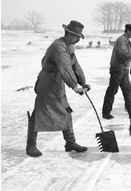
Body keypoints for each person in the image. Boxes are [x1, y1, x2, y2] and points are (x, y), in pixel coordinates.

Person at [26, 20, 91, 157]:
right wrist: (74, 86)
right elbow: (64, 67)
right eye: (77, 36)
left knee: (66, 111)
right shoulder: (59, 47)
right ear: (69, 34)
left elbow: (74, 65)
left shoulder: (69, 46)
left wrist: (83, 82)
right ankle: (31, 145)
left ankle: (70, 143)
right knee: (38, 113)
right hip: (47, 84)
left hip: (58, 84)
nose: (79, 39)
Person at [102, 24, 131, 119]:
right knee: (112, 90)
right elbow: (123, 54)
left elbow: (126, 54)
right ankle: (106, 112)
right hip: (117, 68)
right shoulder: (122, 40)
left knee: (128, 90)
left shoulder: (126, 40)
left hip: (124, 68)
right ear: (128, 31)